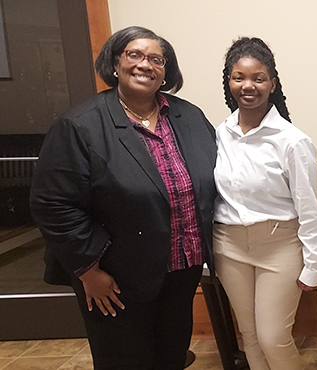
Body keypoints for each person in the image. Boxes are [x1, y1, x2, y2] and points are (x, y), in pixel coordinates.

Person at [29, 26, 217, 369]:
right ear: (116, 63)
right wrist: (88, 271)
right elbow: (53, 204)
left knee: (171, 356)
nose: (145, 64)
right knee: (124, 361)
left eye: (156, 59)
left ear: (166, 71)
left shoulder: (188, 116)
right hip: (115, 279)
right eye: (135, 55)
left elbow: (214, 179)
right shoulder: (81, 126)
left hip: (180, 270)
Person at [212, 37, 317, 370]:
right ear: (229, 81)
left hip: (279, 246)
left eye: (258, 78)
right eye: (239, 77)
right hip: (229, 246)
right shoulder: (219, 134)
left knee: (274, 337)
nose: (248, 85)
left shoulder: (292, 140)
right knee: (249, 336)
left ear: (272, 84)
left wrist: (314, 263)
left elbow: (309, 206)